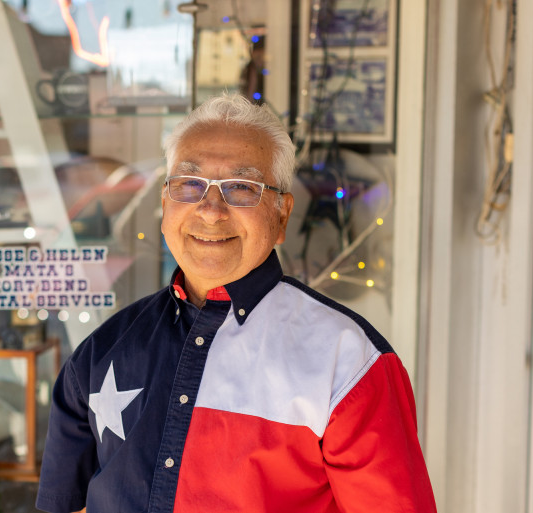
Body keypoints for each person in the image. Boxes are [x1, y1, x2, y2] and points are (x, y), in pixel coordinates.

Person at [35, 94, 435, 513]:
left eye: (241, 188)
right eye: (190, 185)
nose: (210, 211)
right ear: (165, 204)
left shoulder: (348, 360)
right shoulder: (104, 350)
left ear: (281, 215)